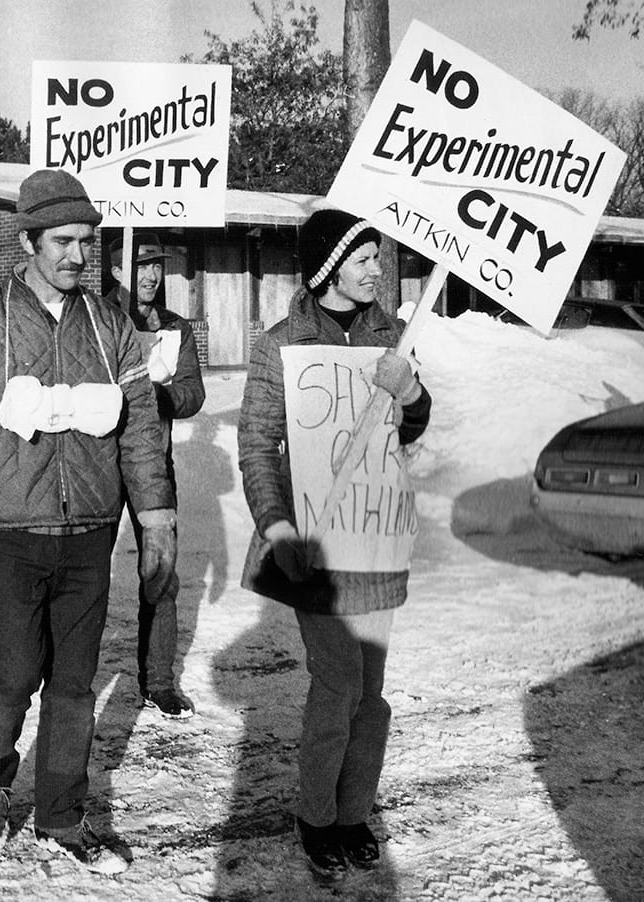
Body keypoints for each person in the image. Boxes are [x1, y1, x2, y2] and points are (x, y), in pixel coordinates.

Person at [0, 169, 175, 876]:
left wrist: (155, 518)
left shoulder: (111, 324)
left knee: (73, 683)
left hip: (91, 528)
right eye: (62, 241)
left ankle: (63, 813)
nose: (76, 256)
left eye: (86, 242)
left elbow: (142, 430)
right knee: (13, 673)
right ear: (26, 239)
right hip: (9, 529)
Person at [237, 208, 432, 878]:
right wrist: (277, 525)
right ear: (328, 266)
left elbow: (411, 435)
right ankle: (316, 815)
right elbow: (257, 446)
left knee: (370, 692)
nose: (378, 271)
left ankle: (355, 813)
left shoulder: (397, 336)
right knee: (338, 682)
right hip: (313, 544)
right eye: (365, 259)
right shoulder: (282, 343)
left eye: (378, 258)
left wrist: (413, 397)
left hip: (376, 540)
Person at [103, 233, 205, 720]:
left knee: (160, 570)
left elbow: (193, 392)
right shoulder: (96, 317)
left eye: (156, 266)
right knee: (81, 573)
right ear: (117, 269)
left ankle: (159, 680)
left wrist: (157, 399)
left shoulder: (175, 327)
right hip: (95, 465)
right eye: (140, 264)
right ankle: (66, 676)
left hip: (153, 462)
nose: (150, 275)